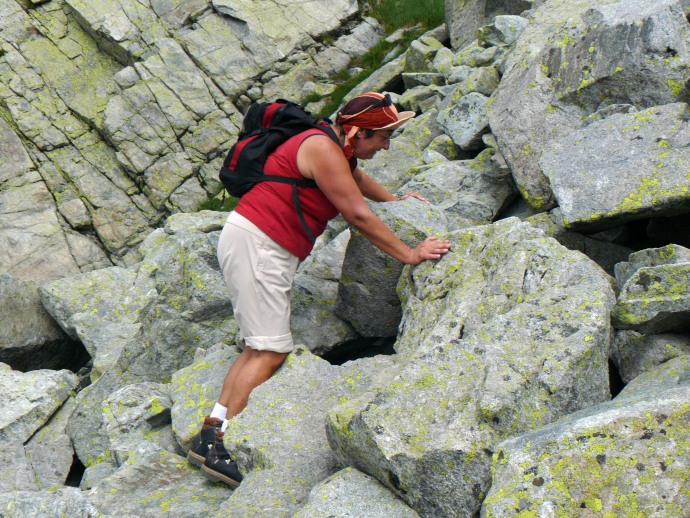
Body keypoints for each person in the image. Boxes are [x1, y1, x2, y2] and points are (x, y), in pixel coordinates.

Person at [187, 92, 452, 487]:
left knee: (258, 347)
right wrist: (410, 254)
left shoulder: (335, 148)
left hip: (255, 241)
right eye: (382, 137)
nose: (386, 146)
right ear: (358, 132)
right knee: (270, 351)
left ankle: (210, 433)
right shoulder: (323, 148)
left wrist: (396, 200)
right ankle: (218, 446)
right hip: (260, 246)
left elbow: (356, 181)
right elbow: (357, 214)